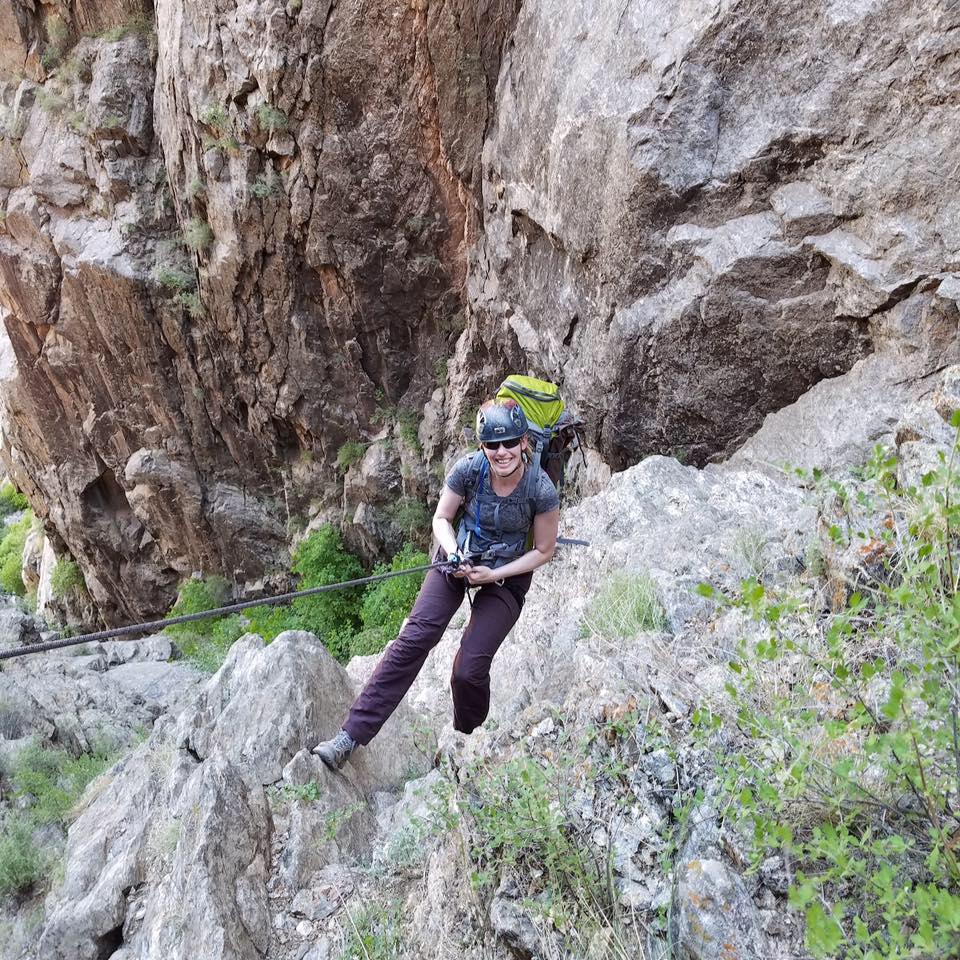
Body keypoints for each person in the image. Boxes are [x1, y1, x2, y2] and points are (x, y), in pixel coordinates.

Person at [313, 398, 560, 769]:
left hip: (506, 575)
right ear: (482, 447)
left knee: (468, 670)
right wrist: (453, 552)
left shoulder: (539, 488)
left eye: (509, 442)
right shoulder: (469, 470)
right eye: (492, 444)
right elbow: (442, 518)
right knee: (414, 639)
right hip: (459, 557)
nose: (502, 451)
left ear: (524, 442)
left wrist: (494, 575)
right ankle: (349, 738)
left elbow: (544, 550)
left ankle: (465, 743)